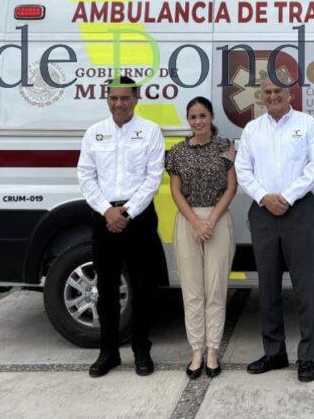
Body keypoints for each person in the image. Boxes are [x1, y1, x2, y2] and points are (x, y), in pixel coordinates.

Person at [234, 75, 314, 383]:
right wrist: (264, 197)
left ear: (289, 95)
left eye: (278, 91)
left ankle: (306, 358)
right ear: (261, 97)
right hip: (262, 212)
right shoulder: (252, 130)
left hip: (297, 210)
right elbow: (242, 169)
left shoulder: (307, 124)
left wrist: (286, 197)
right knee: (268, 287)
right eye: (267, 92)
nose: (272, 96)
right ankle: (274, 352)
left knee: (304, 288)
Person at [76, 76, 165, 378]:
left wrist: (126, 212)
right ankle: (108, 353)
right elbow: (86, 176)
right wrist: (107, 211)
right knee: (106, 289)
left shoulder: (150, 132)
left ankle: (142, 351)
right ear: (107, 99)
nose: (119, 104)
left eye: (124, 98)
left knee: (142, 288)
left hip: (138, 218)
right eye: (113, 98)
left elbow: (153, 178)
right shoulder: (94, 133)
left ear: (136, 97)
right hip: (104, 219)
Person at [166, 96, 238, 379]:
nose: (198, 121)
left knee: (216, 289)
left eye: (203, 116)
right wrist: (196, 223)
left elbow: (231, 189)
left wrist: (209, 222)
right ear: (188, 121)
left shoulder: (225, 148)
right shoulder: (176, 152)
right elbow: (176, 192)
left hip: (218, 220)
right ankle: (196, 349)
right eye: (193, 117)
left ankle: (212, 351)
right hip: (188, 222)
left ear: (211, 118)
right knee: (193, 291)